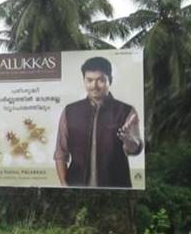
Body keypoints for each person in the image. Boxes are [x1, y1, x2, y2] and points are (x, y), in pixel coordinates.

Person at [54, 56, 143, 188]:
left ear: (110, 81)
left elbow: (135, 149)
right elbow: (61, 153)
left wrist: (129, 141)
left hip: (115, 188)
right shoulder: (70, 111)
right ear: (84, 81)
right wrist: (64, 185)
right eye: (89, 80)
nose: (94, 86)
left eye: (100, 80)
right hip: (76, 187)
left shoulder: (126, 111)